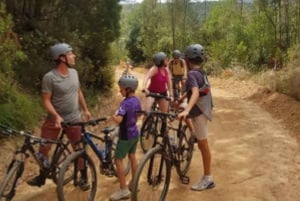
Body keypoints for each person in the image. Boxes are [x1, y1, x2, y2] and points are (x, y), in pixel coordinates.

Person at [27, 43, 91, 188]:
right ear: (62, 58)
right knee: (44, 148)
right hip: (54, 119)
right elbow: (46, 101)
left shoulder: (74, 73)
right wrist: (56, 116)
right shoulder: (49, 77)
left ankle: (84, 176)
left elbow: (78, 92)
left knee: (79, 148)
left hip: (74, 118)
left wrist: (85, 110)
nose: (73, 56)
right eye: (70, 54)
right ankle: (42, 176)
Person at [177, 44, 215, 191]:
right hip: (203, 110)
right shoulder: (201, 72)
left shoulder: (192, 74)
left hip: (198, 113)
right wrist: (181, 100)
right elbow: (198, 90)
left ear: (187, 60)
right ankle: (192, 134)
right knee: (201, 143)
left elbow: (195, 93)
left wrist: (186, 109)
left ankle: (208, 179)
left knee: (203, 145)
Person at [110, 74, 141, 201]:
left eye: (121, 89)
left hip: (125, 136)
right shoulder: (137, 100)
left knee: (118, 160)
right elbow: (138, 115)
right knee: (132, 156)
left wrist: (113, 115)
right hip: (134, 133)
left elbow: (118, 119)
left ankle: (123, 189)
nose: (120, 91)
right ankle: (134, 183)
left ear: (128, 89)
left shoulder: (124, 103)